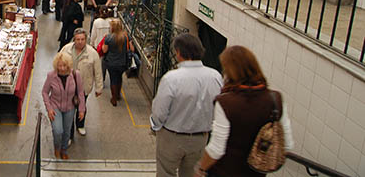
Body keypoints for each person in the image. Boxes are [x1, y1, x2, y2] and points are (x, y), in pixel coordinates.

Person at [193, 46, 294, 177]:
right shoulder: (275, 99)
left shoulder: (226, 103)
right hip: (256, 172)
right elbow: (287, 144)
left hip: (225, 171)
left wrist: (200, 169)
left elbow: (217, 149)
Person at [150, 33, 223, 177]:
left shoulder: (171, 78)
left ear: (178, 52)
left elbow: (160, 112)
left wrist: (155, 127)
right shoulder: (215, 76)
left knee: (166, 171)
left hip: (172, 137)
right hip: (200, 138)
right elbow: (218, 108)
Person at [42, 52, 86, 159]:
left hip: (70, 108)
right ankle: (57, 147)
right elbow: (44, 92)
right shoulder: (51, 76)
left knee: (67, 131)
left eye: (64, 66)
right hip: (55, 107)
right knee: (58, 131)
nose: (62, 68)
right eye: (59, 65)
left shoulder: (76, 75)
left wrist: (81, 110)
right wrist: (49, 109)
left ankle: (64, 149)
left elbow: (80, 92)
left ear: (69, 65)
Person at [61, 28, 103, 138]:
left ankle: (80, 125)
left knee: (82, 106)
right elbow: (57, 64)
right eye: (78, 39)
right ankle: (69, 135)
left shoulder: (92, 54)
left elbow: (98, 72)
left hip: (84, 86)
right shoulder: (66, 50)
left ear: (86, 39)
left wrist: (99, 88)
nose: (80, 42)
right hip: (68, 87)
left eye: (82, 39)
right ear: (74, 39)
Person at [101, 19, 133, 106]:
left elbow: (104, 50)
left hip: (111, 63)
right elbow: (132, 49)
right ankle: (118, 94)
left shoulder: (108, 38)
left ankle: (114, 98)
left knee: (113, 80)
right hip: (122, 63)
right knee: (119, 78)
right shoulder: (126, 37)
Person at [90, 6, 112, 81]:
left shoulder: (96, 22)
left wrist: (91, 43)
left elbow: (93, 34)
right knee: (105, 62)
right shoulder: (110, 22)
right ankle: (103, 76)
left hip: (98, 46)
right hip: (108, 46)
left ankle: (99, 78)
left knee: (98, 63)